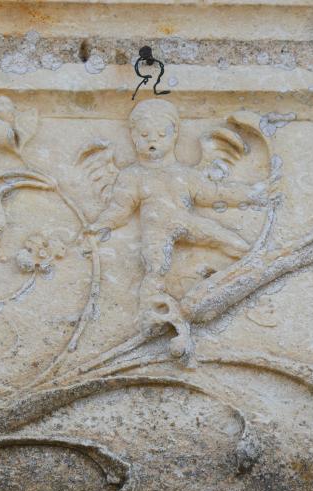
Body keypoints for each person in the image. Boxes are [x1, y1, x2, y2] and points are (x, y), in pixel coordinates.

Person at [86, 99, 262, 361]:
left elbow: (213, 194)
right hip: (156, 230)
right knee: (155, 266)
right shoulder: (132, 176)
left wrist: (254, 194)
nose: (152, 140)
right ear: (133, 136)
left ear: (175, 134)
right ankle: (150, 315)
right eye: (145, 135)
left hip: (185, 221)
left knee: (228, 240)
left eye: (160, 134)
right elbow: (119, 208)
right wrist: (100, 225)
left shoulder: (184, 174)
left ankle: (252, 264)